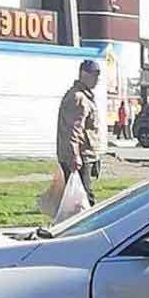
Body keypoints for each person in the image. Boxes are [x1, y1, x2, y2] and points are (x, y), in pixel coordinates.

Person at [56, 59, 101, 206]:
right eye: (93, 74)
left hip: (85, 153)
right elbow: (73, 130)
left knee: (78, 198)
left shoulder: (85, 96)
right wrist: (75, 156)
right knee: (85, 198)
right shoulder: (78, 97)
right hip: (79, 156)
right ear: (83, 74)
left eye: (97, 75)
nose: (96, 79)